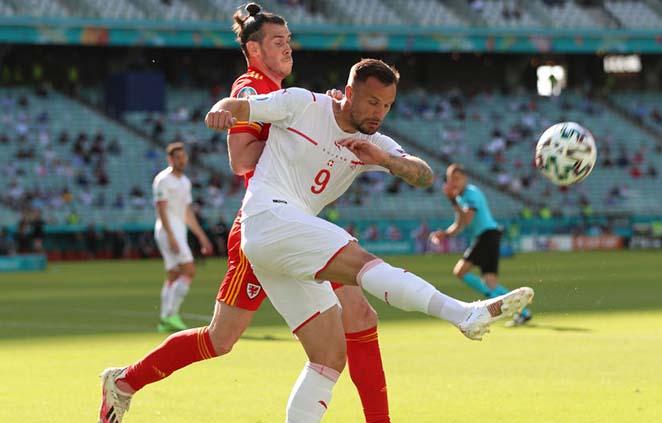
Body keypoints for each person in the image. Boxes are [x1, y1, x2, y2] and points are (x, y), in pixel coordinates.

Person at [99, 5, 392, 423]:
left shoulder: (276, 89)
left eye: (289, 40)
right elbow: (241, 159)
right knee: (222, 339)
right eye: (278, 42)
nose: (288, 47)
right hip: (267, 223)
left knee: (352, 319)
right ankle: (125, 381)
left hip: (292, 223)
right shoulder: (251, 87)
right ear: (254, 49)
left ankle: (124, 382)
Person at [202, 58, 533, 422]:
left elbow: (424, 175)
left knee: (328, 357)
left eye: (387, 105)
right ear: (348, 93)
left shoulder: (373, 141)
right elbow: (238, 105)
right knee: (361, 263)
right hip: (269, 215)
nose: (380, 113)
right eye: (373, 102)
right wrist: (220, 110)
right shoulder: (302, 103)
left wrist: (385, 160)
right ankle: (463, 313)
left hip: (277, 244)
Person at [429, 164, 532, 326]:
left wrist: (452, 200)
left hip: (486, 236)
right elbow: (460, 223)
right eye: (450, 180)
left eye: (457, 179)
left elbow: (466, 220)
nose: (454, 182)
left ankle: (492, 302)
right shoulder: (464, 196)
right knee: (490, 282)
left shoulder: (471, 194)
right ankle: (524, 312)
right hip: (490, 235)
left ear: (465, 179)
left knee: (460, 271)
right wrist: (446, 234)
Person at [151, 142, 214, 333]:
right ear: (170, 159)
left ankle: (164, 318)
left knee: (174, 274)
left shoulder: (185, 182)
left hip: (178, 231)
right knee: (189, 270)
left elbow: (187, 212)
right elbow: (161, 209)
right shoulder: (163, 180)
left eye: (183, 157)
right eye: (177, 157)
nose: (181, 160)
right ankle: (172, 314)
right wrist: (171, 236)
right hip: (168, 231)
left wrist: (201, 236)